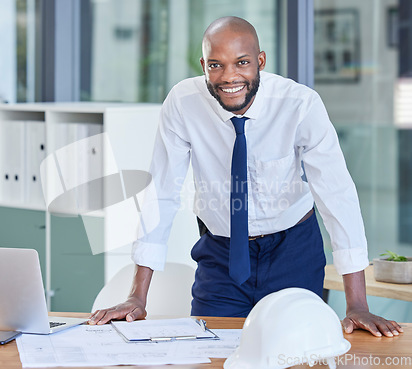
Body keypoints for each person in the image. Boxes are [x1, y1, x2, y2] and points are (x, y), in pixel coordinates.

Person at [89, 16, 402, 337]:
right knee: (210, 349)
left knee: (296, 349)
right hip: (221, 256)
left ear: (260, 61)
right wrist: (137, 296)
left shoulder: (299, 105)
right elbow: (162, 193)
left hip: (291, 251)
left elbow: (337, 196)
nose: (229, 76)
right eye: (216, 65)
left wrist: (357, 304)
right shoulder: (183, 104)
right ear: (203, 64)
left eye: (241, 63)